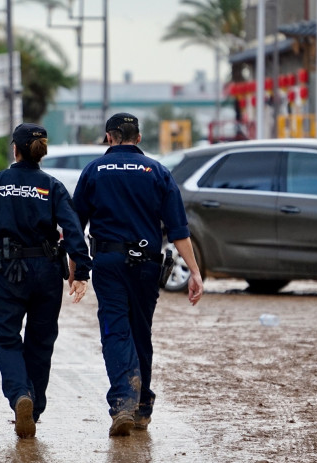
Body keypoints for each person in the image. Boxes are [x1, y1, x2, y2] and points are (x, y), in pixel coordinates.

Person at [73, 112, 204, 437]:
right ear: (139, 138)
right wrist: (195, 272)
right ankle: (142, 407)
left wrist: (77, 267)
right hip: (147, 264)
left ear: (109, 137)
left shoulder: (95, 170)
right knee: (141, 332)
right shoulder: (157, 171)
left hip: (108, 260)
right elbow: (178, 230)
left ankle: (123, 402)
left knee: (115, 329)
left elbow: (76, 225)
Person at [0, 123, 92, 439]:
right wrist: (81, 273)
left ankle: (21, 396)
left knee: (6, 340)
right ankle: (35, 407)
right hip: (46, 272)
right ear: (41, 152)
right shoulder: (53, 186)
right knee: (41, 342)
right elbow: (74, 231)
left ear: (15, 150)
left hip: (6, 273)